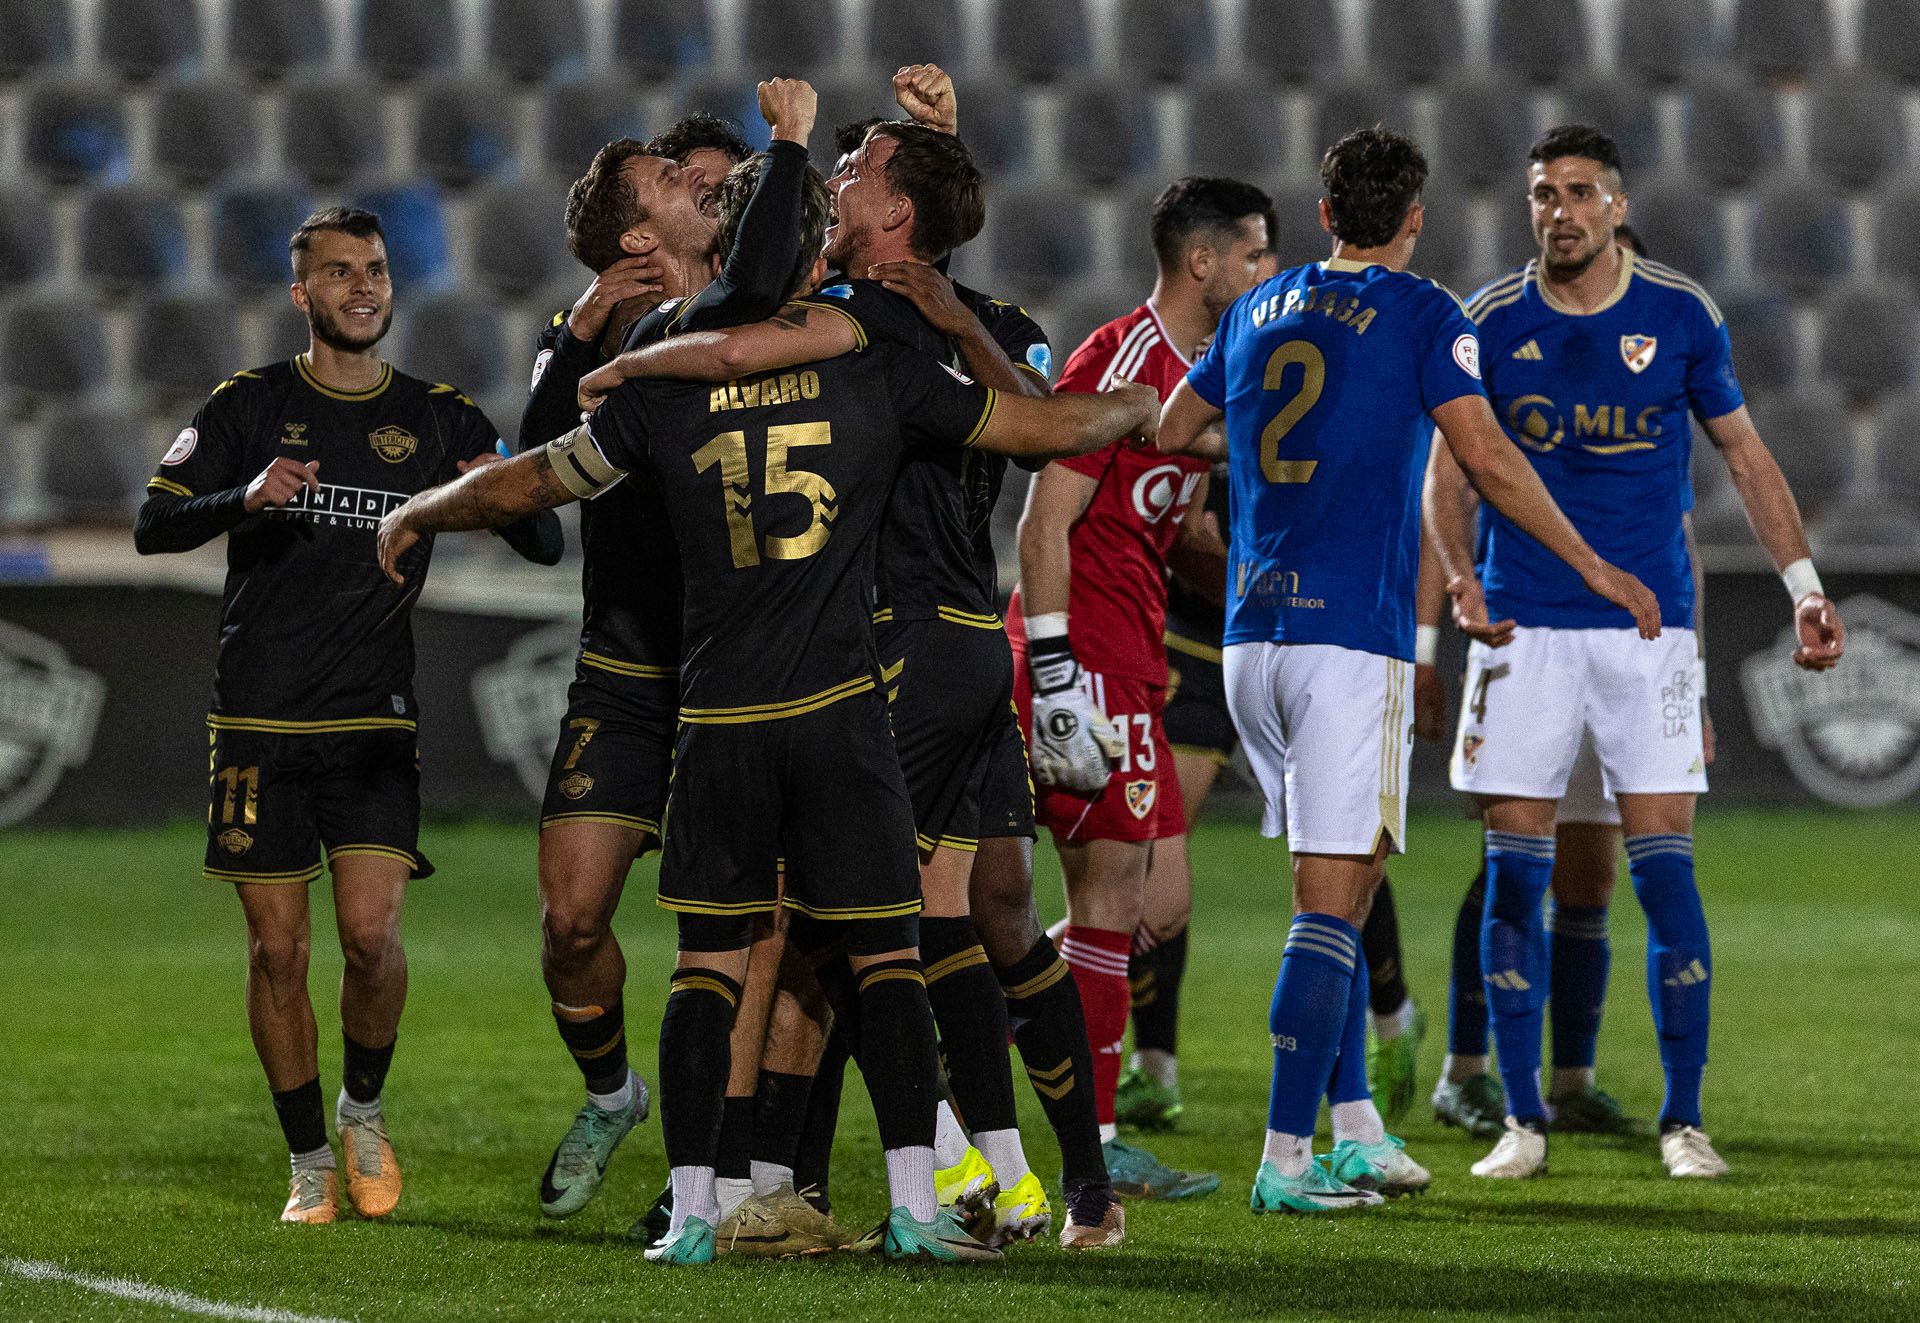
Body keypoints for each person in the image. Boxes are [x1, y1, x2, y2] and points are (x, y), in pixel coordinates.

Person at [377, 155, 1161, 1262]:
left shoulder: (662, 384)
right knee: (887, 959)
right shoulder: (876, 361)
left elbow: (528, 483)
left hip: (719, 720)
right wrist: (1135, 405)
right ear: (805, 251)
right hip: (843, 706)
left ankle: (694, 1213)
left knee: (707, 966)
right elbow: (1039, 433)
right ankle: (918, 1208)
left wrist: (421, 508)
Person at [583, 104, 1123, 1249]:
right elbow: (1042, 425)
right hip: (978, 641)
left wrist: (630, 362)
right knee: (984, 918)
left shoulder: (849, 322)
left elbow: (729, 345)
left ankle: (777, 1180)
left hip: (892, 642)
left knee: (829, 930)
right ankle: (1061, 1190)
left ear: (897, 210)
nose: (832, 181)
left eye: (856, 170)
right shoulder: (990, 321)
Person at [1155, 127, 1660, 1212]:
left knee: (1348, 878)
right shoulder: (1428, 313)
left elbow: (1171, 423)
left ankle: (1353, 1127)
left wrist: (1274, 452)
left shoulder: (1258, 305)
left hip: (1251, 638)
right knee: (1331, 907)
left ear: (1326, 212)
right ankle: (1288, 1162)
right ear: (1414, 218)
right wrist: (1594, 564)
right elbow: (1484, 458)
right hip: (1347, 638)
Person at [1426, 125, 1845, 1180]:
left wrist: (1804, 589)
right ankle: (1522, 1119)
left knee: (1662, 879)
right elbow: (1449, 469)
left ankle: (1684, 1121)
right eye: (1541, 194)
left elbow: (1745, 457)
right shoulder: (1487, 318)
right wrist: (1459, 579)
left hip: (1645, 638)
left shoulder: (1681, 312)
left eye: (1578, 192)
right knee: (1514, 879)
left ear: (1615, 205)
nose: (1558, 211)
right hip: (1523, 628)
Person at [133, 208, 561, 1224]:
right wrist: (244, 497)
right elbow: (154, 524)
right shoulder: (250, 404)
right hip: (259, 721)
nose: (363, 286)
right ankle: (310, 1160)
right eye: (339, 273)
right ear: (303, 295)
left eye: (374, 270)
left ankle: (362, 1109)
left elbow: (544, 541)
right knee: (277, 952)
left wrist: (484, 496)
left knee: (369, 939)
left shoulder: (439, 414)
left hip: (375, 720)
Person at [517, 81, 817, 1227]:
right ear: (641, 233)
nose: (707, 184)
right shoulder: (612, 334)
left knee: (741, 931)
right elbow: (537, 469)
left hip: (734, 674)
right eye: (679, 179)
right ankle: (614, 1094)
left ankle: (718, 1167)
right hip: (628, 667)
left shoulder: (756, 313)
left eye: (716, 178)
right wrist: (587, 317)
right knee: (573, 923)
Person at [1004, 176, 1273, 1201]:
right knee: (1114, 901)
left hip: (1137, 662)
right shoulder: (1118, 358)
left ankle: (982, 996)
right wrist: (1058, 670)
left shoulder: (1209, 378)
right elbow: (1044, 525)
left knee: (1153, 906)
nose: (1266, 274)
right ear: (1201, 262)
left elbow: (1183, 525)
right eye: (1254, 255)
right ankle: (1098, 1139)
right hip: (1083, 665)